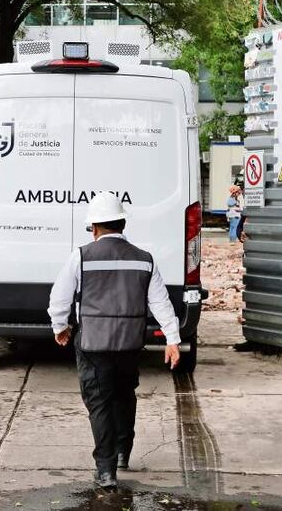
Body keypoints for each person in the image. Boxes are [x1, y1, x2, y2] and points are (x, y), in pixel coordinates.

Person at [47, 192, 182, 489]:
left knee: (99, 402)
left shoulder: (81, 255)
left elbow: (60, 297)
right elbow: (161, 303)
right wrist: (172, 339)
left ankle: (106, 470)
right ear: (122, 224)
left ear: (93, 228)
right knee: (124, 395)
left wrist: (60, 326)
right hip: (129, 345)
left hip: (93, 345)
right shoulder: (144, 260)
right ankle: (123, 452)